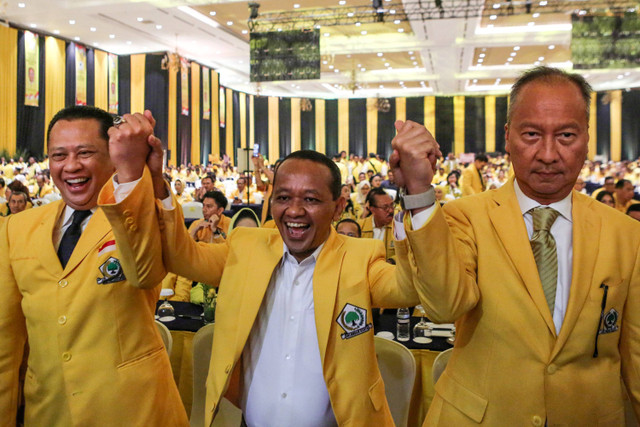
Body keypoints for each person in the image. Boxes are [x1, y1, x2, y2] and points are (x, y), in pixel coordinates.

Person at [99, 129, 422, 426]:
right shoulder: (246, 248)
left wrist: (414, 193)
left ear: (338, 208)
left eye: (310, 199)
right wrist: (155, 182)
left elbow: (410, 287)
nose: (294, 211)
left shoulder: (361, 258)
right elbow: (182, 256)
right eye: (283, 198)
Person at [391, 66, 640, 425]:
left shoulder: (625, 234)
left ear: (587, 137)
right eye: (532, 134)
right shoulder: (465, 217)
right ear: (508, 137)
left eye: (566, 135)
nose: (549, 154)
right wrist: (419, 194)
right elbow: (444, 306)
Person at [0, 106, 189, 425]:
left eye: (85, 152)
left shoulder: (141, 217)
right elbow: (6, 341)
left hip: (132, 412)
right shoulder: (16, 229)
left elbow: (145, 274)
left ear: (113, 155)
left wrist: (138, 170)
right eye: (59, 155)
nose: (71, 166)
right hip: (49, 412)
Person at [359, 187, 396, 261]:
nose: (391, 210)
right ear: (372, 209)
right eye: (385, 207)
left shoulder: (399, 227)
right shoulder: (360, 227)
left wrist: (392, 260)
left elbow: (407, 253)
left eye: (392, 205)